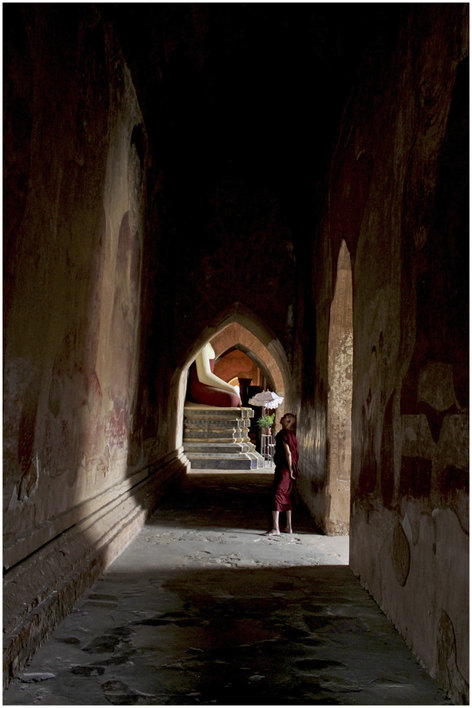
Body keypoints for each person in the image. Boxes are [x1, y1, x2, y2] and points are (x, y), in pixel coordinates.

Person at [264, 412, 299, 535]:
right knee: (288, 496)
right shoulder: (292, 435)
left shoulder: (283, 434)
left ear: (288, 422)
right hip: (289, 470)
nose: (282, 418)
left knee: (277, 495)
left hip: (284, 469)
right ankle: (289, 526)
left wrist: (289, 470)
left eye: (285, 418)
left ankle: (275, 528)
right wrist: (293, 470)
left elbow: (288, 453)